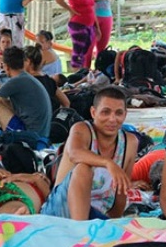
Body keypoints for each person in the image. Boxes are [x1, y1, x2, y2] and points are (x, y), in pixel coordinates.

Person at [41, 86, 137, 220]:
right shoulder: (82, 129)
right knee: (83, 168)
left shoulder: (129, 142)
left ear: (125, 115)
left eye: (119, 113)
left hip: (95, 214)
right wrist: (108, 163)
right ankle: (81, 231)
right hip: (61, 209)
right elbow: (75, 153)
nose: (112, 119)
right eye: (105, 112)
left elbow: (121, 191)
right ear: (93, 112)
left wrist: (115, 223)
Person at [56, 0, 99, 71]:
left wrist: (96, 26)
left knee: (85, 51)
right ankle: (76, 74)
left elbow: (92, 8)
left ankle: (81, 73)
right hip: (78, 24)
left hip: (89, 25)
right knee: (78, 51)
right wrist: (70, 9)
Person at [23, 45, 70, 112]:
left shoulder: (26, 83)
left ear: (28, 62)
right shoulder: (49, 80)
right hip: (53, 118)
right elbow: (66, 103)